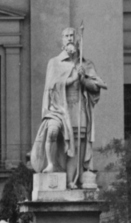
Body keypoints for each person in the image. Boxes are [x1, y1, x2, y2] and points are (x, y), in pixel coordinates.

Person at [31, 26, 107, 188]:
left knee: (77, 144)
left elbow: (95, 86)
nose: (70, 38)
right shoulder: (54, 63)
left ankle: (70, 180)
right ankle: (51, 164)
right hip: (58, 109)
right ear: (62, 41)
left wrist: (83, 79)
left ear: (78, 41)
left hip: (78, 108)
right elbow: (50, 87)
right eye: (66, 36)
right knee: (53, 132)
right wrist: (72, 79)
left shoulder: (86, 64)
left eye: (72, 35)